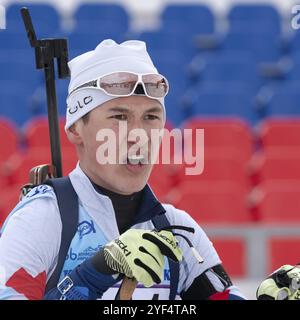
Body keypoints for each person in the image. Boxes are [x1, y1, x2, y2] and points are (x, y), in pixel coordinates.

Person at [0, 39, 245, 300]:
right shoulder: (41, 219)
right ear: (74, 128)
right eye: (119, 117)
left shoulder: (178, 229)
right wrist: (93, 274)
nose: (138, 135)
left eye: (151, 117)